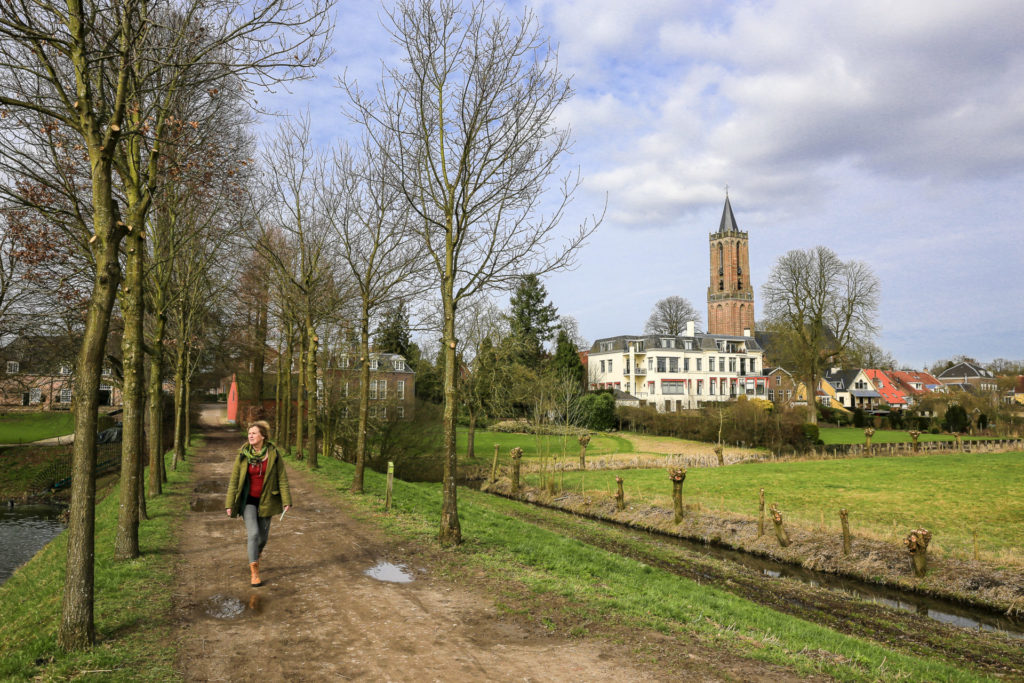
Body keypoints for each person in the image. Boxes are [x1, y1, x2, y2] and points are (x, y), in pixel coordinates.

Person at [225, 420, 292, 587]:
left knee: (263, 538)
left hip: (267, 501)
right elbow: (234, 481)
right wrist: (229, 503)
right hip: (248, 501)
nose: (250, 436)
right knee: (253, 534)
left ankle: (257, 552)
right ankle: (254, 570)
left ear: (263, 436)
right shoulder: (242, 455)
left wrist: (286, 501)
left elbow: (282, 478)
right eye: (249, 433)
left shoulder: (274, 455)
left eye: (254, 433)